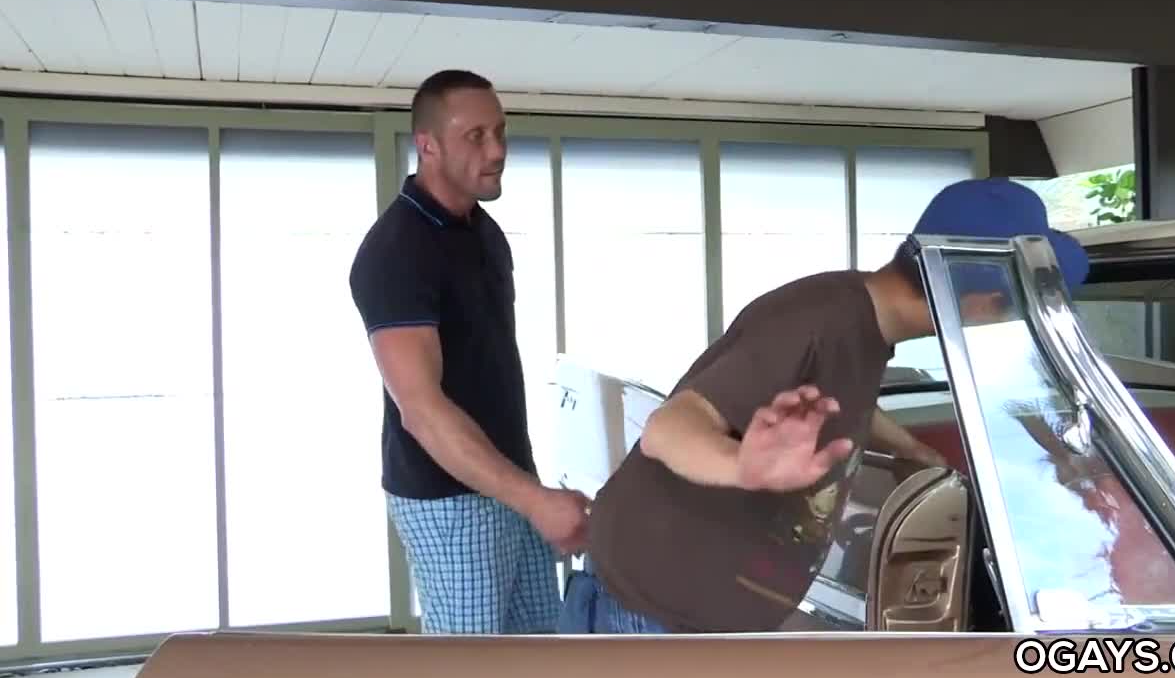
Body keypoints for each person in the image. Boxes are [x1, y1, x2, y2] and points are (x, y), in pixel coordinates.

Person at [559, 177, 1090, 634]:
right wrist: (742, 467)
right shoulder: (816, 320)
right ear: (980, 302)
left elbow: (844, 400)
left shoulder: (867, 318)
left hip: (706, 617)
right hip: (652, 613)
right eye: (1012, 307)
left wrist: (911, 449)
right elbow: (668, 428)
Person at [349, 69, 589, 634]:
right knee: (471, 664)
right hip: (448, 499)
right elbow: (422, 412)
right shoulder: (396, 251)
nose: (497, 150)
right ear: (427, 144)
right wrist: (535, 501)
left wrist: (530, 492)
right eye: (475, 136)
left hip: (508, 477)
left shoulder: (484, 231)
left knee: (537, 653)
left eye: (500, 132)